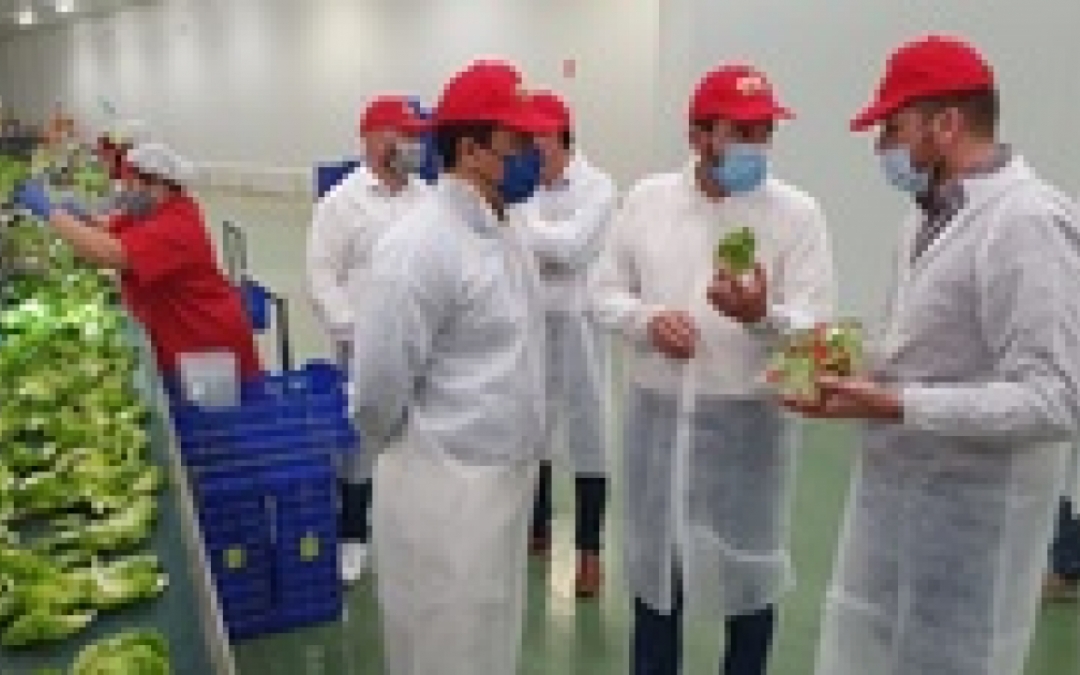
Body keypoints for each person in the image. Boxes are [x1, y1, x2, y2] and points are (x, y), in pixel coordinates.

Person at [780, 35, 1080, 675]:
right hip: (895, 521)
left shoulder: (1026, 222)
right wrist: (852, 373)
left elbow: (1055, 398)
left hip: (972, 535)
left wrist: (899, 404)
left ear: (946, 124)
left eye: (893, 129)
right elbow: (918, 352)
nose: (881, 148)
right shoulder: (925, 219)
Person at [590, 64, 836, 675]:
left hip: (749, 431)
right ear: (699, 136)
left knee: (750, 587)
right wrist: (647, 321)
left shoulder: (796, 214)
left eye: (765, 132)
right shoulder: (647, 202)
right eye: (742, 132)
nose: (758, 146)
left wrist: (762, 316)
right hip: (658, 425)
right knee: (657, 583)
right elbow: (603, 293)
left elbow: (817, 328)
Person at [348, 61, 557, 675]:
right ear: (470, 150)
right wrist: (423, 458)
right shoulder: (420, 247)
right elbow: (377, 389)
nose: (535, 155)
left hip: (501, 485)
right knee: (444, 651)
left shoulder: (505, 230)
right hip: (443, 495)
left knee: (488, 648)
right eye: (519, 141)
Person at [305, 95, 433, 583]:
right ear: (375, 139)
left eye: (418, 137)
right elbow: (321, 278)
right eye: (406, 136)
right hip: (361, 350)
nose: (415, 146)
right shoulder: (341, 204)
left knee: (416, 440)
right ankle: (353, 534)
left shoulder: (427, 199)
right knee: (359, 445)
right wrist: (357, 333)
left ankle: (409, 533)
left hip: (421, 350)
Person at [13, 142, 261, 380]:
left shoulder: (176, 225)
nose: (125, 192)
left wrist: (50, 213)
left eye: (131, 184)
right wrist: (81, 217)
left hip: (207, 343)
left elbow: (107, 252)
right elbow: (107, 231)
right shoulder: (147, 212)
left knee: (215, 403)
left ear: (158, 185)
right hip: (181, 336)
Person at [517, 90, 616, 598]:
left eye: (538, 138)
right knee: (532, 425)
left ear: (561, 136)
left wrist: (525, 231)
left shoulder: (599, 188)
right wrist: (543, 240)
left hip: (582, 326)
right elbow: (529, 250)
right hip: (530, 321)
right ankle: (535, 528)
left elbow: (572, 248)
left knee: (588, 435)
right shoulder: (523, 186)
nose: (530, 149)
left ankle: (589, 553)